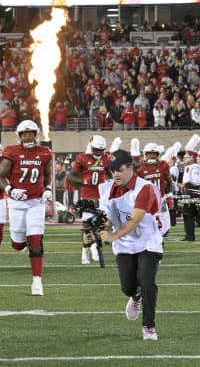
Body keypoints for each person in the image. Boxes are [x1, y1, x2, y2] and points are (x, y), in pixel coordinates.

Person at [97, 149, 164, 341]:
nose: (115, 174)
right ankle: (135, 297)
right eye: (112, 170)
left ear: (131, 168)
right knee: (127, 287)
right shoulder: (109, 190)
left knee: (146, 281)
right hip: (125, 245)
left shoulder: (145, 187)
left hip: (147, 242)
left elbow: (134, 220)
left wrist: (112, 236)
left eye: (120, 169)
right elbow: (109, 217)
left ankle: (149, 327)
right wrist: (97, 230)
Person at [0, 120, 53, 296]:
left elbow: (47, 175)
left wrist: (48, 189)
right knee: (18, 245)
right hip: (16, 204)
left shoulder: (44, 152)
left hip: (36, 203)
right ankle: (23, 241)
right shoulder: (12, 152)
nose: (28, 137)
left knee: (36, 243)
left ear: (36, 135)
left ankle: (37, 281)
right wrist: (10, 189)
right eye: (25, 134)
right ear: (19, 136)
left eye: (31, 133)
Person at [67, 135, 110, 265]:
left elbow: (110, 175)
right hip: (87, 196)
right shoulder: (82, 158)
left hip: (102, 197)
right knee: (86, 226)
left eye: (101, 150)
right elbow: (72, 178)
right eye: (96, 150)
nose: (99, 153)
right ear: (91, 147)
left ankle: (95, 247)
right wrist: (84, 181)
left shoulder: (106, 158)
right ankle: (85, 251)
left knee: (102, 225)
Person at [136, 143, 173, 237]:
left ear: (158, 155)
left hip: (161, 198)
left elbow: (169, 181)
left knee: (165, 226)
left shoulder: (164, 165)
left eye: (154, 154)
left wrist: (170, 196)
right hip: (147, 200)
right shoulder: (140, 168)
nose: (152, 156)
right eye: (149, 154)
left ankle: (159, 241)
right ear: (145, 155)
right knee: (147, 223)